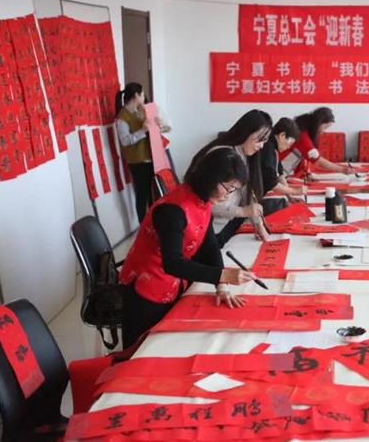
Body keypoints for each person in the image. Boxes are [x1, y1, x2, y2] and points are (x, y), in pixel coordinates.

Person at [119, 147, 255, 348]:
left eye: (234, 190)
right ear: (210, 177)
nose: (228, 195)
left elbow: (209, 245)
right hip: (146, 290)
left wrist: (221, 285)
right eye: (228, 188)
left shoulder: (202, 200)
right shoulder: (173, 210)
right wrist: (222, 275)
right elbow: (172, 263)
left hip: (172, 284)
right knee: (144, 350)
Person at [188, 110, 271, 245]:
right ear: (246, 132)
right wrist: (243, 211)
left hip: (225, 225)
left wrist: (259, 225)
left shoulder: (242, 154)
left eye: (264, 142)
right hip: (206, 230)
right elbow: (206, 202)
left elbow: (247, 193)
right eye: (259, 140)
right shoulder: (223, 156)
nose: (261, 146)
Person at [115, 82, 171, 222]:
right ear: (136, 95)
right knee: (142, 195)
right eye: (142, 94)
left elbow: (150, 133)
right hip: (138, 162)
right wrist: (143, 130)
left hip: (150, 158)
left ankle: (152, 224)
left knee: (152, 193)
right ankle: (143, 226)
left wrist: (157, 125)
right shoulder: (122, 117)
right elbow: (125, 141)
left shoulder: (139, 112)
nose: (144, 97)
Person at [280, 107, 349, 177]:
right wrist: (343, 170)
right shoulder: (302, 136)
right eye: (325, 127)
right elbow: (318, 160)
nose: (324, 131)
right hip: (282, 169)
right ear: (319, 123)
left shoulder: (303, 127)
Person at [261, 116, 307, 206]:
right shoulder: (268, 148)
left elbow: (280, 174)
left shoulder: (273, 148)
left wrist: (290, 196)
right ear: (282, 135)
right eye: (289, 143)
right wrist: (295, 191)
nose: (288, 147)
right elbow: (271, 184)